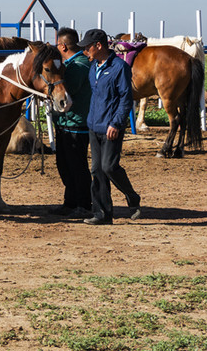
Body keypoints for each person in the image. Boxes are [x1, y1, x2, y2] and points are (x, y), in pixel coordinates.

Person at [80, 28, 141, 225]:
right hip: (94, 125)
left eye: (87, 47)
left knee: (109, 166)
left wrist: (116, 123)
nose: (85, 51)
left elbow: (125, 99)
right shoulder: (94, 67)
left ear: (98, 46)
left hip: (110, 127)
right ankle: (102, 214)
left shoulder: (119, 68)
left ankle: (131, 195)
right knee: (97, 170)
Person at [48, 27, 92, 218]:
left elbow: (68, 90)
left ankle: (84, 204)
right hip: (66, 122)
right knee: (65, 165)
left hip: (76, 123)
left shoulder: (78, 66)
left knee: (77, 166)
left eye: (58, 45)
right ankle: (70, 202)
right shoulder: (74, 64)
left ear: (63, 46)